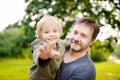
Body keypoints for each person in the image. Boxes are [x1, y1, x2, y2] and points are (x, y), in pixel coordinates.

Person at [30, 17, 100, 80]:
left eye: (83, 36)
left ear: (91, 41)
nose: (76, 38)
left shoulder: (86, 70)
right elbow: (38, 52)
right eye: (75, 33)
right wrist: (43, 59)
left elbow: (66, 41)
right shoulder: (41, 45)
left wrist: (85, 47)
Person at [29, 15, 69, 80]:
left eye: (55, 31)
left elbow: (69, 41)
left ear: (59, 32)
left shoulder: (61, 43)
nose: (51, 34)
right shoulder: (39, 44)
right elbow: (37, 51)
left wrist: (84, 46)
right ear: (40, 34)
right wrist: (42, 57)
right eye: (46, 32)